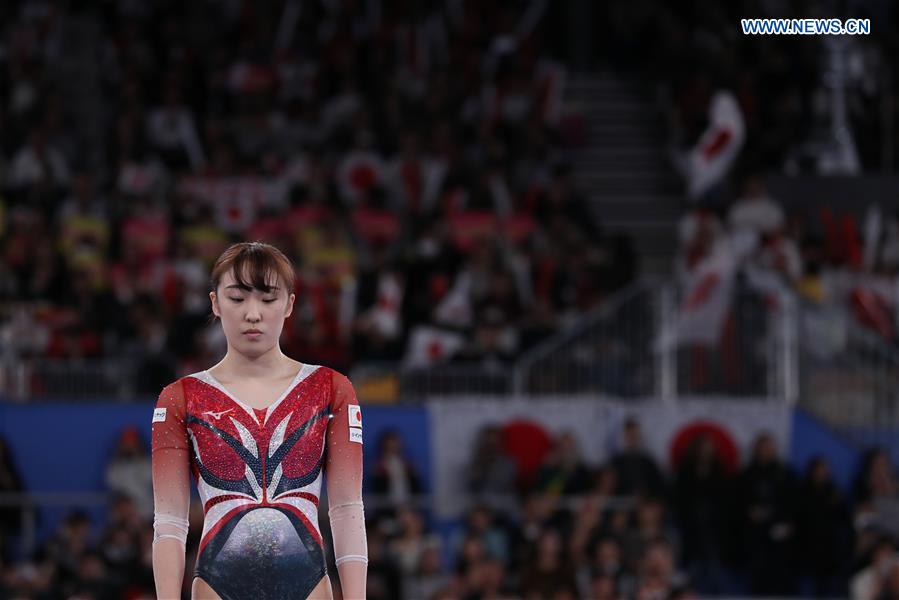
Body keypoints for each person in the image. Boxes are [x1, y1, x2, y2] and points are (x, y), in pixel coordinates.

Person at [151, 242, 367, 599]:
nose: (253, 314)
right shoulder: (181, 398)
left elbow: (346, 508)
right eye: (237, 299)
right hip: (217, 585)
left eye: (268, 300)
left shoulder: (331, 389)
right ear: (215, 303)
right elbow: (170, 522)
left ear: (290, 305)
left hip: (309, 585)